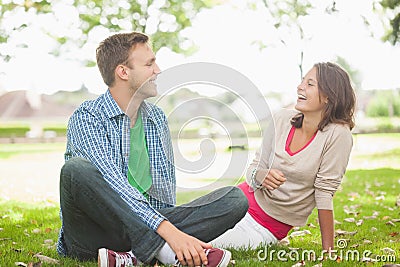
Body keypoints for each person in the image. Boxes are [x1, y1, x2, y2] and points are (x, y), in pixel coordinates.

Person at [57, 32, 248, 267]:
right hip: (93, 235)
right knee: (75, 170)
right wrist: (170, 232)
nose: (158, 70)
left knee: (233, 199)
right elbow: (113, 183)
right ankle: (164, 252)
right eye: (149, 64)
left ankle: (133, 257)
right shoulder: (87, 117)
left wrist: (169, 227)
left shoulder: (156, 118)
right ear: (123, 72)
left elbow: (163, 193)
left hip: (143, 224)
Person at [212, 62, 356, 252]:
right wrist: (260, 175)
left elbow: (324, 192)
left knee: (199, 244)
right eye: (302, 81)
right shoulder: (281, 119)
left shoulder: (338, 135)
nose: (300, 87)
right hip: (238, 200)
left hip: (265, 227)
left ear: (329, 96)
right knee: (181, 228)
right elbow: (253, 169)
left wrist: (327, 250)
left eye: (310, 84)